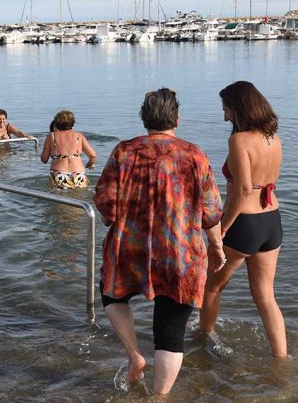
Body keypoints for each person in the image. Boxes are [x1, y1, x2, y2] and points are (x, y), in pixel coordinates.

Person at [94, 88, 224, 395]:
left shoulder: (124, 152)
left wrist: (115, 219)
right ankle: (159, 397)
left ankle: (134, 355)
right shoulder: (196, 155)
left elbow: (106, 205)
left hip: (131, 250)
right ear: (177, 118)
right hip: (181, 254)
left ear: (144, 119)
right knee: (170, 332)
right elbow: (211, 212)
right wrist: (216, 246)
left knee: (112, 294)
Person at [199, 81, 287, 358]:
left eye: (226, 109)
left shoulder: (238, 140)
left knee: (211, 288)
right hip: (272, 220)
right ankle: (281, 357)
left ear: (239, 108)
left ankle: (202, 339)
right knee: (266, 297)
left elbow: (244, 189)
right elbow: (266, 182)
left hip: (244, 223)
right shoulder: (273, 138)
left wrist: (222, 229)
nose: (225, 116)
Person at [40, 110, 96, 189]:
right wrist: (90, 163)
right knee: (79, 199)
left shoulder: (51, 136)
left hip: (59, 173)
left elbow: (44, 159)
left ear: (56, 123)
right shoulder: (79, 136)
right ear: (73, 123)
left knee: (57, 199)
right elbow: (93, 155)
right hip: (78, 173)